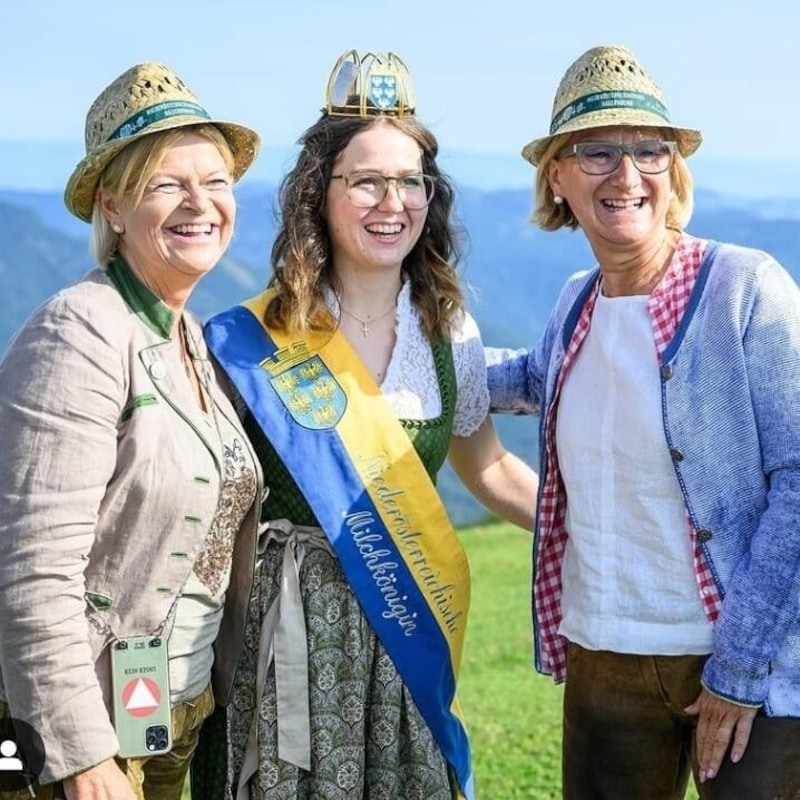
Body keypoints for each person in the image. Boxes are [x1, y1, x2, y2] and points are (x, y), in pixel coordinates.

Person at [196, 49, 539, 800]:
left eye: (410, 180)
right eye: (368, 181)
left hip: (403, 634)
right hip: (280, 634)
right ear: (322, 193)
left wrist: (590, 527)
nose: (394, 202)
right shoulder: (259, 337)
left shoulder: (450, 335)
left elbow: (487, 470)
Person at [485, 43, 800, 800]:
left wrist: (740, 668)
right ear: (557, 178)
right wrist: (396, 352)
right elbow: (534, 378)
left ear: (673, 172)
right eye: (596, 152)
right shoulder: (575, 301)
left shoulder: (744, 289)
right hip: (605, 654)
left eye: (649, 151)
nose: (627, 175)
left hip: (738, 661)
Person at [0, 62, 264, 800]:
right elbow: (32, 569)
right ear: (112, 206)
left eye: (215, 181)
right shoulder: (76, 332)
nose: (200, 203)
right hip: (72, 740)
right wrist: (79, 758)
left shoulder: (192, 339)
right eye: (165, 183)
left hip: (162, 717)